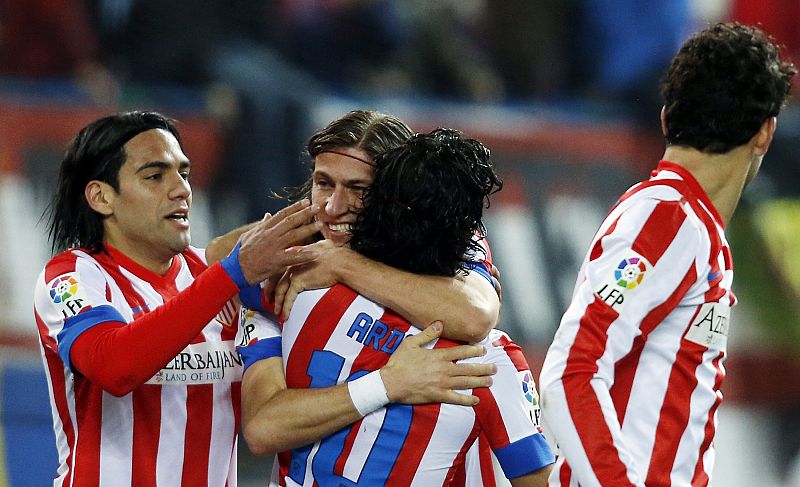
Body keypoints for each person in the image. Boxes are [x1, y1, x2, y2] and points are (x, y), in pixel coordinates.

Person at [538, 22, 796, 487]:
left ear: (665, 119)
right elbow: (570, 371)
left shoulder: (685, 222)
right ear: (765, 133)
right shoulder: (668, 222)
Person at [242, 128, 554, 485]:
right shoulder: (487, 362)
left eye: (359, 190)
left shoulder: (296, 289)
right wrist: (388, 383)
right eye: (324, 184)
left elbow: (222, 263)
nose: (334, 207)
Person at [32, 110, 327, 486]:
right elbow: (114, 366)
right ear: (102, 197)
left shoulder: (213, 275)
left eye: (183, 174)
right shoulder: (72, 276)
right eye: (155, 176)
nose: (181, 190)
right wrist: (233, 273)